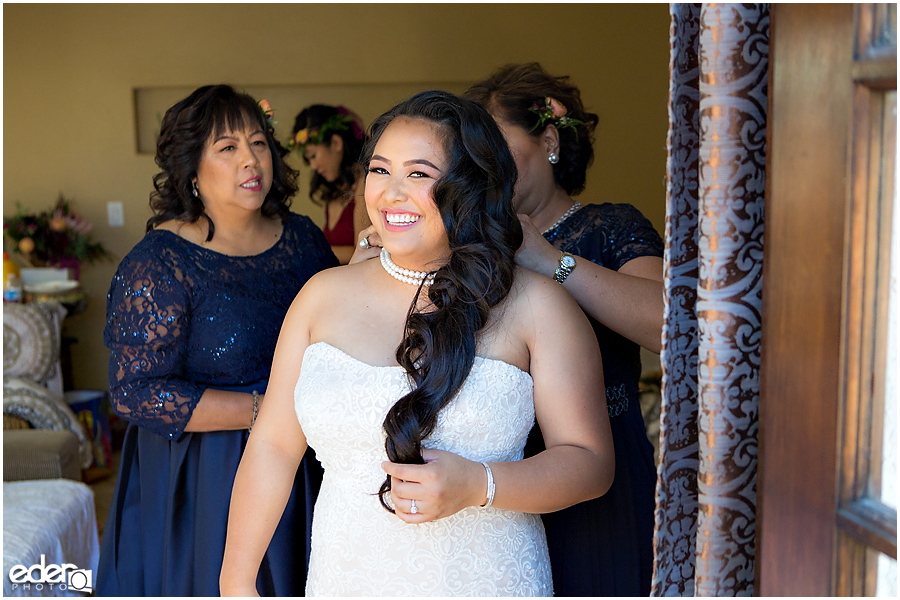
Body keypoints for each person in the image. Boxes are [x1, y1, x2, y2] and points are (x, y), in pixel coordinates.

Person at [220, 90, 614, 597]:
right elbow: (273, 444)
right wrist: (235, 580)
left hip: (485, 579)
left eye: (419, 174)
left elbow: (590, 462)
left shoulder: (538, 307)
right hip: (346, 577)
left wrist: (481, 484)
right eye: (380, 171)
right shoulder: (320, 297)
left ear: (470, 187)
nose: (390, 193)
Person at [96, 85, 339, 596]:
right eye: (227, 148)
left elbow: (337, 327)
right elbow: (135, 392)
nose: (250, 160)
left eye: (258, 143)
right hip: (205, 475)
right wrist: (262, 411)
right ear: (190, 167)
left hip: (307, 458)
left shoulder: (303, 239)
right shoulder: (157, 264)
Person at [464, 63, 665, 596]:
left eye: (497, 148)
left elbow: (669, 327)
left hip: (602, 484)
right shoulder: (466, 250)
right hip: (495, 480)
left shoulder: (611, 226)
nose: (485, 168)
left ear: (549, 140)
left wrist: (551, 260)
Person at [289, 104, 371, 264]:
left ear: (336, 143)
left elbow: (363, 251)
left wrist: (307, 250)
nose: (313, 166)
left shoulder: (365, 180)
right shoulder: (335, 189)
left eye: (313, 155)